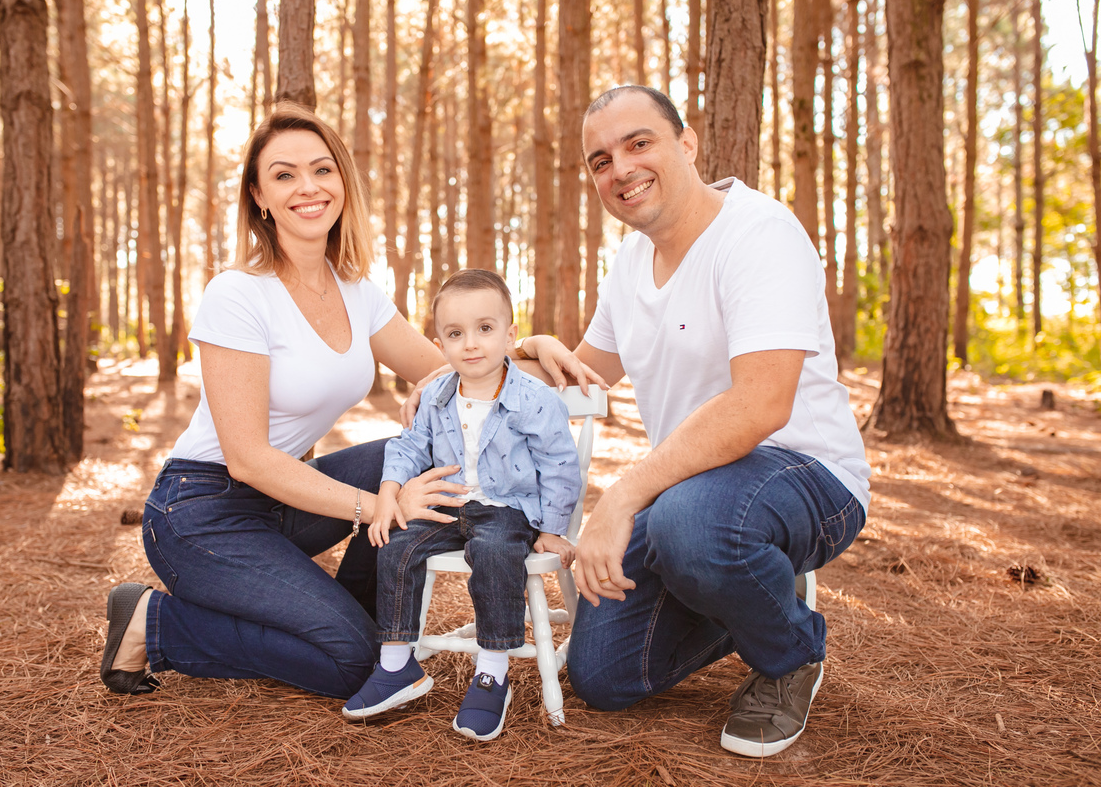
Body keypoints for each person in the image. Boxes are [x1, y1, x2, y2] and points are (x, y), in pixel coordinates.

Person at [521, 86, 871, 757]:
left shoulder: (758, 234)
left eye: (638, 143)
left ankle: (792, 652)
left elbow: (760, 405)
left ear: (687, 143)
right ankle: (754, 584)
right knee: (606, 675)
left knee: (690, 526)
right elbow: (585, 371)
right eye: (600, 160)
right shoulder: (628, 265)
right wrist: (508, 356)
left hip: (805, 473)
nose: (619, 169)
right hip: (696, 493)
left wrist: (622, 497)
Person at [99, 104, 458, 699]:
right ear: (260, 196)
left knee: (412, 454)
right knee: (354, 664)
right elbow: (247, 459)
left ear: (342, 181)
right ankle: (153, 623)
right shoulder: (238, 294)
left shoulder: (357, 293)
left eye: (322, 169)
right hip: (200, 512)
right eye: (285, 175)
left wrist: (532, 346)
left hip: (280, 505)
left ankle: (358, 620)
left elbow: (456, 366)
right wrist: (379, 508)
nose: (308, 187)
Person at [341, 269, 582, 742]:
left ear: (511, 335)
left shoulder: (533, 399)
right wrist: (390, 489)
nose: (471, 344)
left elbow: (559, 464)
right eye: (455, 334)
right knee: (396, 545)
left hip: (508, 508)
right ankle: (396, 665)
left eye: (485, 329)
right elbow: (410, 447)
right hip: (449, 503)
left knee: (493, 552)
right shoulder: (436, 395)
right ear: (441, 344)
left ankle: (492, 672)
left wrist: (554, 528)